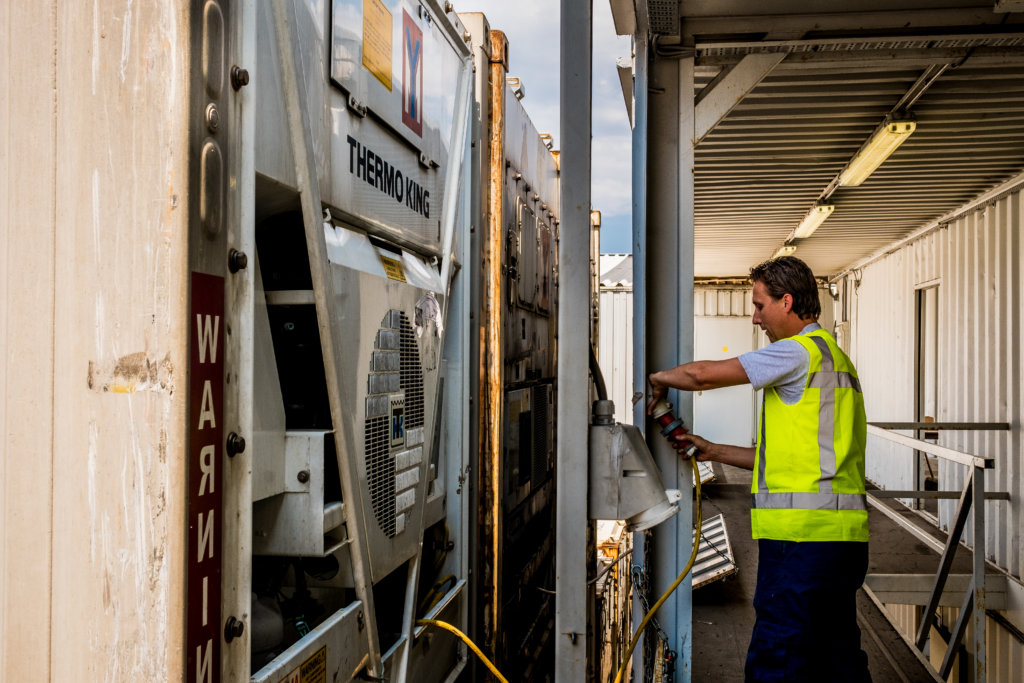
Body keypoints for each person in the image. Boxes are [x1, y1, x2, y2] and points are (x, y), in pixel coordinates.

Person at [647, 256, 870, 683]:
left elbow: (702, 375)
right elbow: (786, 458)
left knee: (779, 656)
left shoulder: (795, 352)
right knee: (837, 657)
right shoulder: (836, 361)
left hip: (799, 542)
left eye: (759, 305)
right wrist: (712, 449)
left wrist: (658, 379)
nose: (756, 317)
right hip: (841, 544)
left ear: (787, 302)